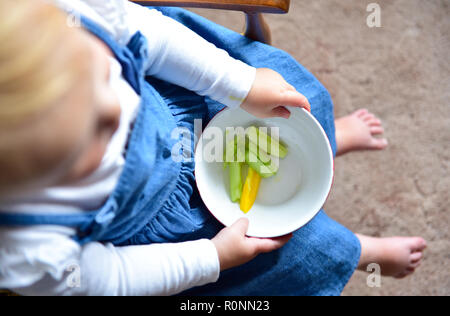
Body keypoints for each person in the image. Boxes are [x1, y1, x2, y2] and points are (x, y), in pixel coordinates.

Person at [0, 0, 426, 296]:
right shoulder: (28, 250)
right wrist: (211, 258)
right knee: (299, 248)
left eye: (105, 79)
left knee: (298, 105)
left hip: (186, 101)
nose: (118, 106)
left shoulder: (58, 19)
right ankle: (356, 252)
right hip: (177, 229)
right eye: (98, 131)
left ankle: (326, 142)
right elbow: (110, 278)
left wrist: (238, 84)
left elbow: (154, 36)